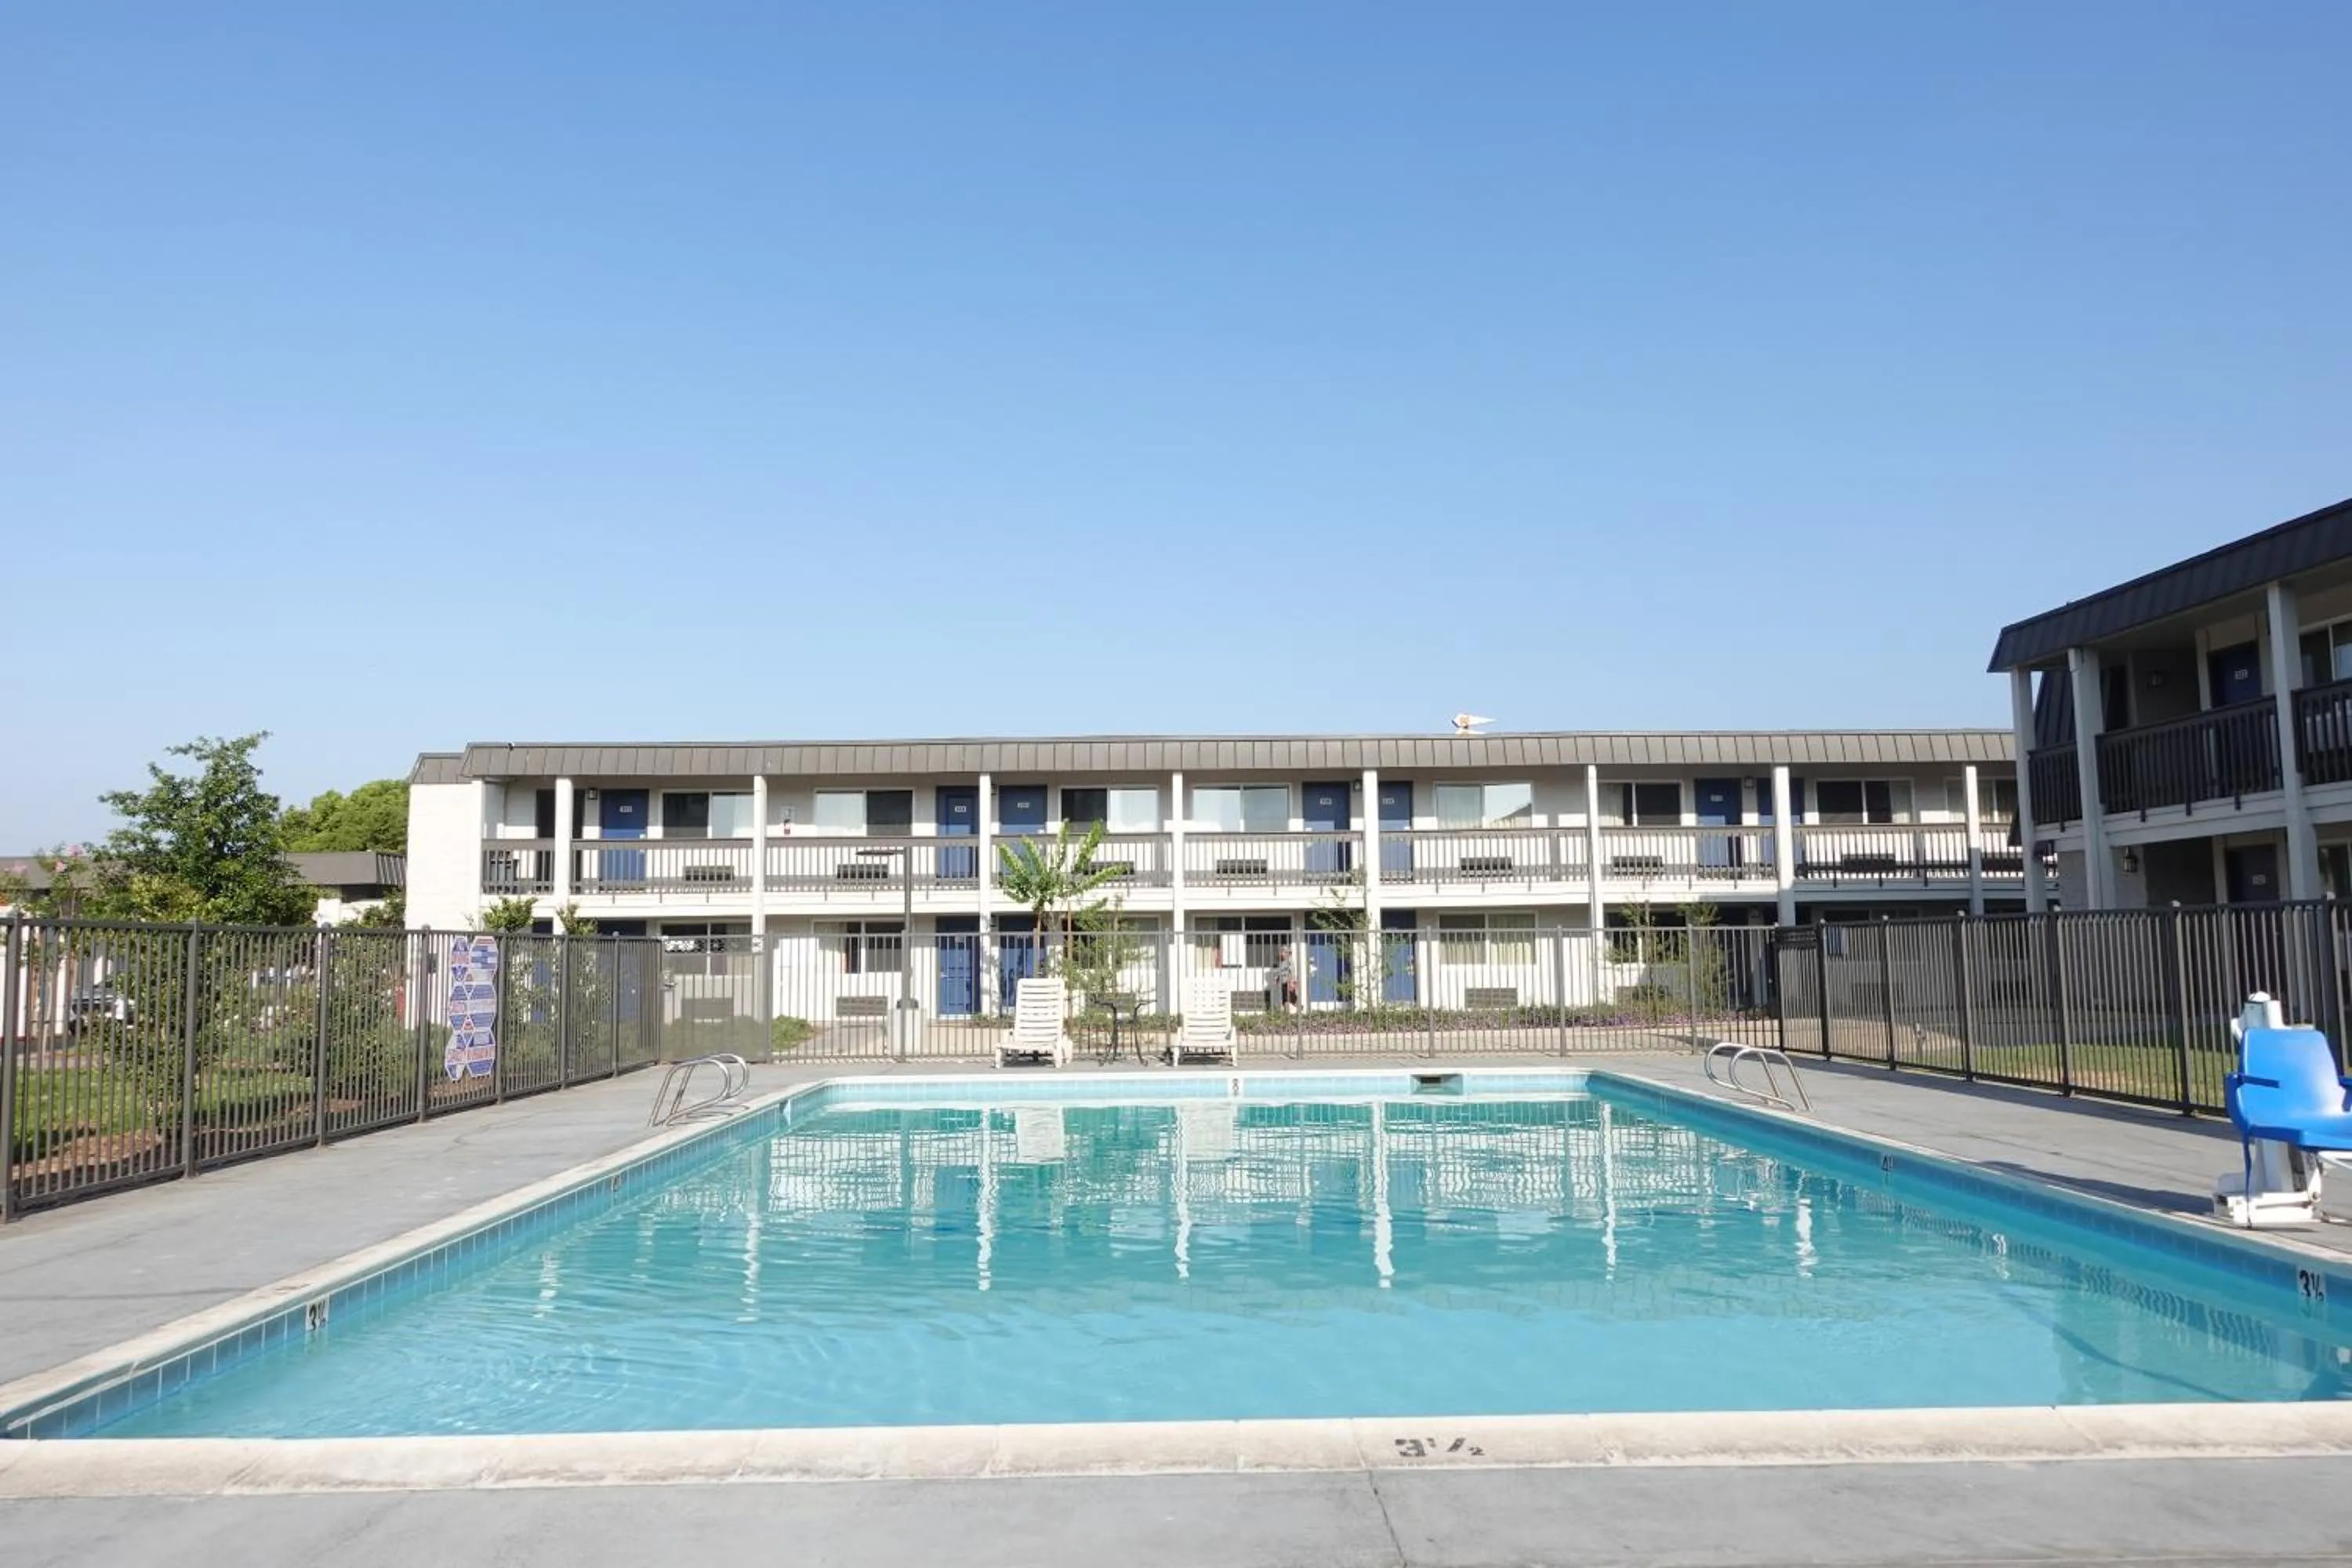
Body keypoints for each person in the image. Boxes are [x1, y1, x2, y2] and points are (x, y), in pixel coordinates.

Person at [1269, 944, 1298, 1011]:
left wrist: (1291, 982)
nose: (1283, 954)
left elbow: (1292, 972)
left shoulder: (1289, 961)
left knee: (1287, 1000)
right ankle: (1298, 1008)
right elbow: (1279, 972)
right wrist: (1276, 978)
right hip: (1283, 983)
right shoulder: (1281, 962)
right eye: (1283, 952)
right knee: (1289, 999)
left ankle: (1287, 1016)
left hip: (1288, 982)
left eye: (1285, 952)